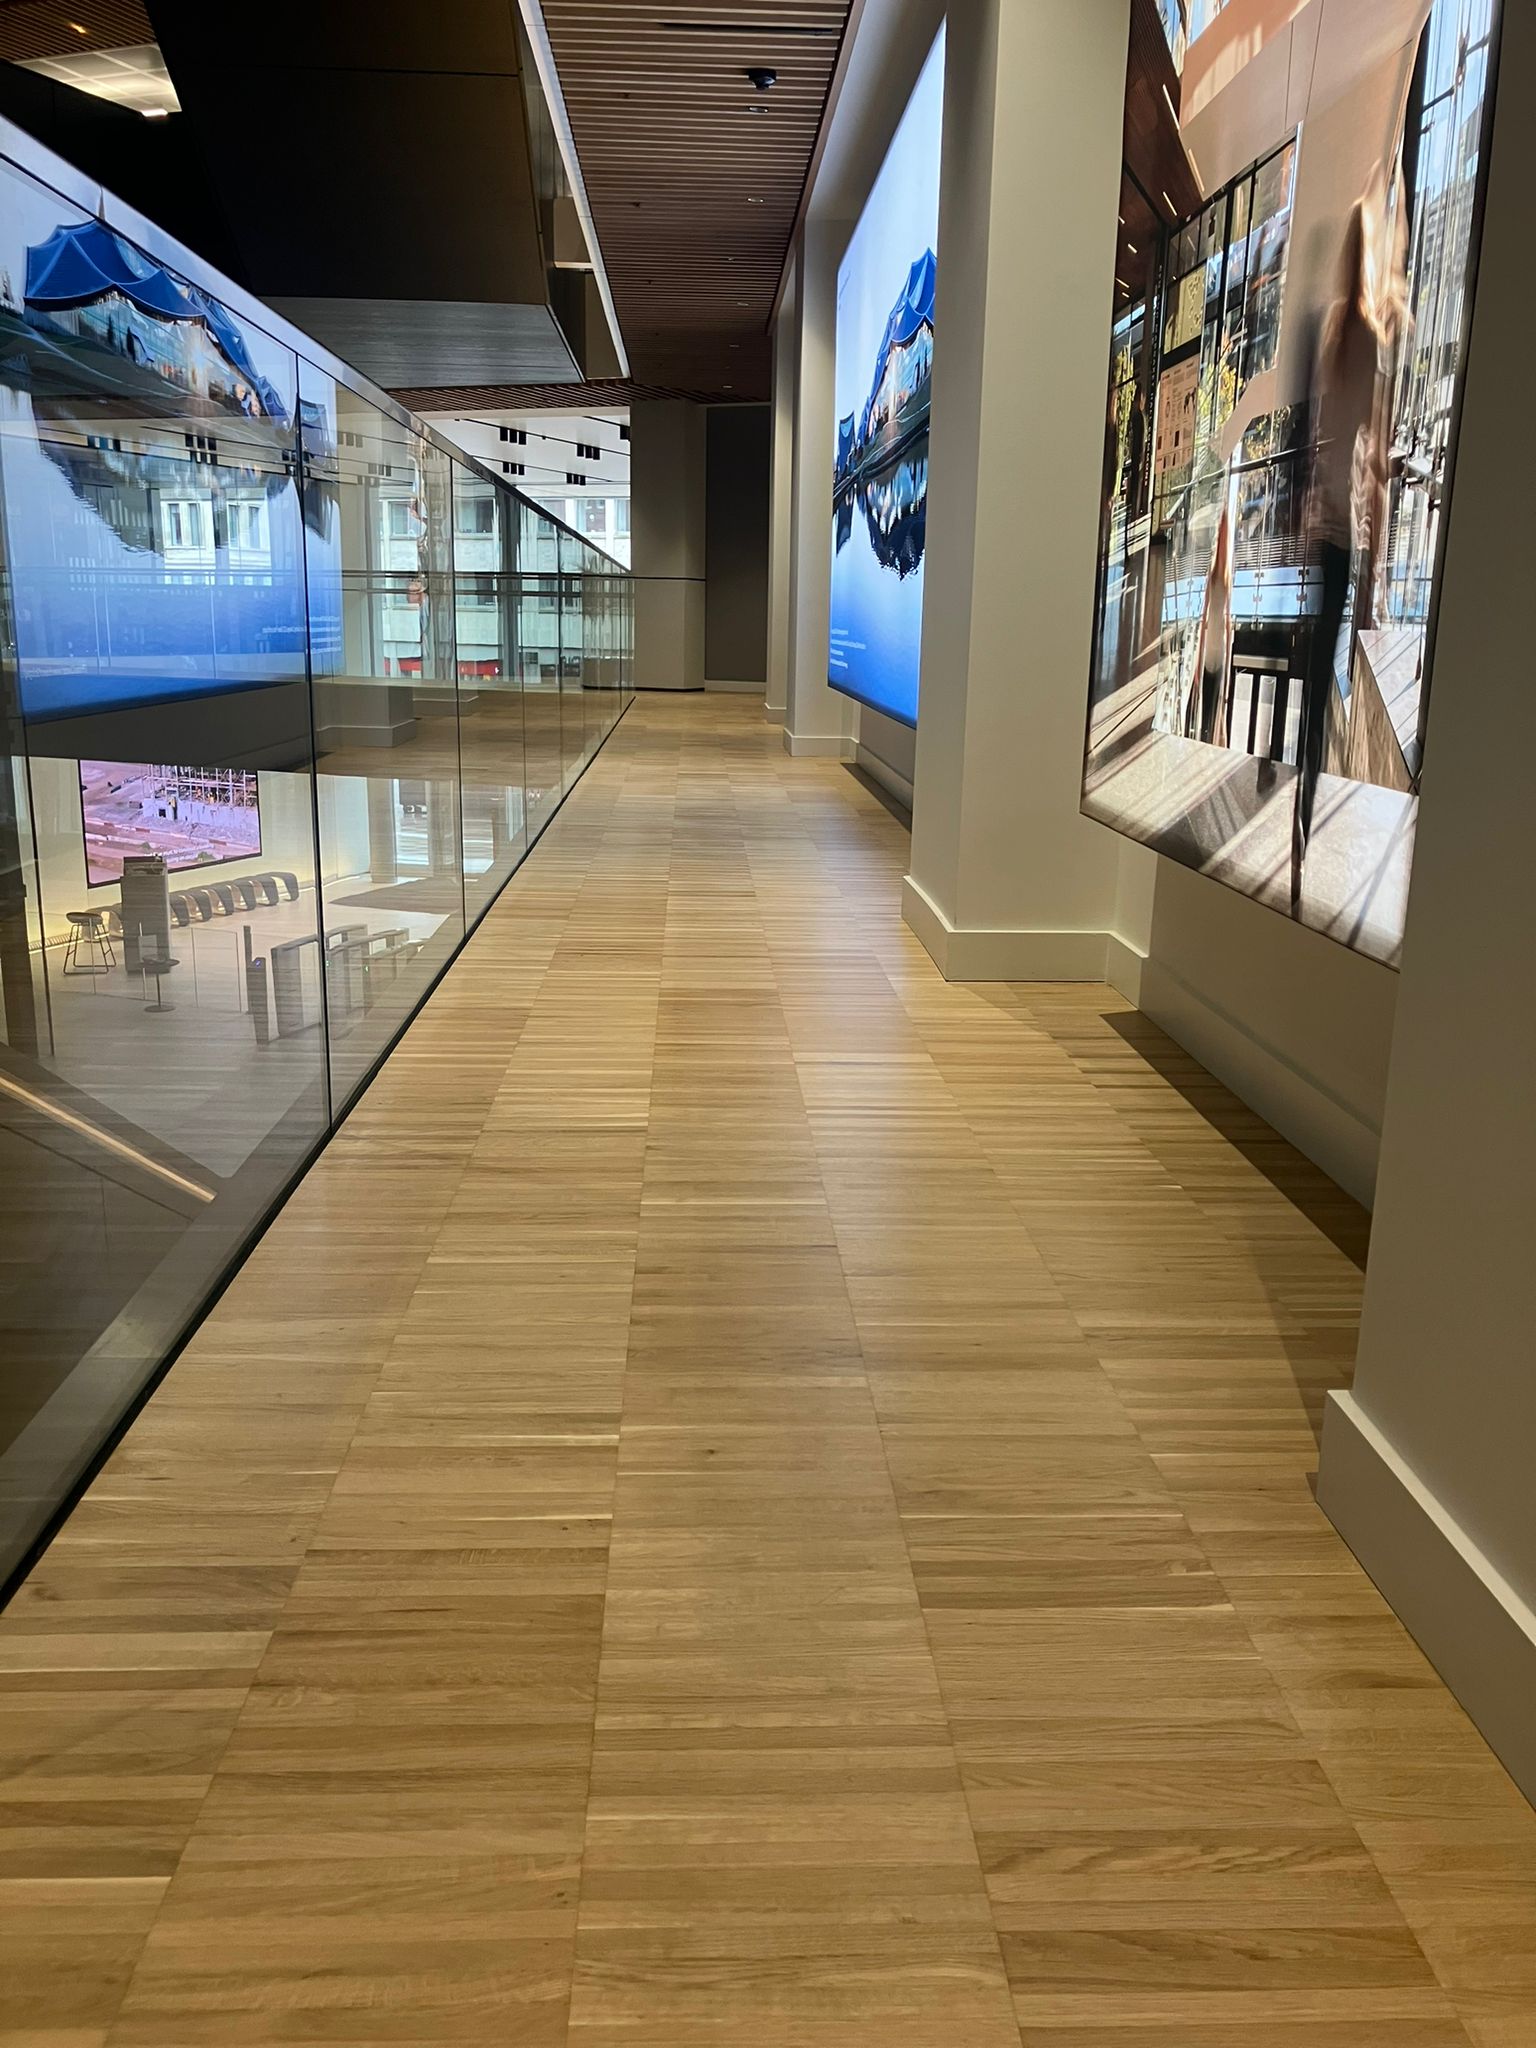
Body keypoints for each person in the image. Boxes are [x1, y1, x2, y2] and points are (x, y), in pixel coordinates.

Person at [1294, 169, 1408, 911]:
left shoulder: (1331, 326)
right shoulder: (1365, 331)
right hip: (1342, 537)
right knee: (1327, 670)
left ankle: (1303, 796)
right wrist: (1376, 572)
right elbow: (1373, 461)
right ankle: (1311, 794)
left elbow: (1315, 441)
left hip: (1313, 529)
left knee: (1311, 678)